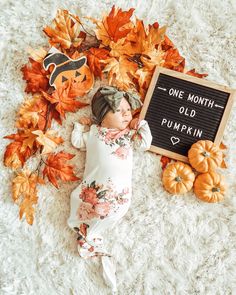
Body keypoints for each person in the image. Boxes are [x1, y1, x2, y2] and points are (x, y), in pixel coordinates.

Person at [67, 85, 153, 293]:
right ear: (103, 116)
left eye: (127, 110)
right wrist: (79, 126)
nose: (126, 114)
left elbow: (145, 144)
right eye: (119, 110)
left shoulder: (128, 135)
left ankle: (92, 236)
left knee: (112, 209)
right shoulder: (94, 133)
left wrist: (141, 125)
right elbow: (78, 142)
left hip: (118, 191)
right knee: (84, 202)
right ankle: (88, 234)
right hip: (94, 187)